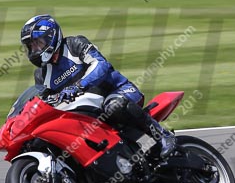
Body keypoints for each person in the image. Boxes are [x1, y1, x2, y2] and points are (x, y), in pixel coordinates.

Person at [20, 14, 176, 158]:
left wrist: (79, 85)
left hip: (117, 91)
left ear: (51, 37)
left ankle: (162, 136)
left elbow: (101, 65)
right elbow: (44, 102)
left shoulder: (74, 45)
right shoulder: (41, 74)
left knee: (114, 106)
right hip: (86, 112)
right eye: (31, 46)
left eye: (38, 43)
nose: (35, 49)